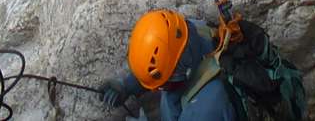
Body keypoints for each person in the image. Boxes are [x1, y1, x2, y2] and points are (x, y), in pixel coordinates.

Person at [100, 11, 238, 120]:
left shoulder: (206, 108)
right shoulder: (182, 33)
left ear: (182, 72)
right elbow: (162, 60)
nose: (157, 89)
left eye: (162, 85)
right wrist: (126, 86)